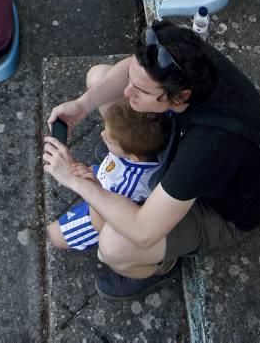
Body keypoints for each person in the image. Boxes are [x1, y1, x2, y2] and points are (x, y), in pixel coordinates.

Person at [43, 21, 260, 299]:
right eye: (133, 81)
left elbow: (143, 230)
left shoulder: (206, 148)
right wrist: (83, 105)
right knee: (99, 78)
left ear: (180, 97)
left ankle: (160, 265)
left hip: (220, 211)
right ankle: (132, 151)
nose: (129, 93)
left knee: (114, 245)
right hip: (188, 141)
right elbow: (130, 70)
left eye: (140, 91)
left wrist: (78, 182)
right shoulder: (185, 58)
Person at [48, 103, 174, 252]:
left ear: (132, 157)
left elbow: (101, 222)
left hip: (99, 212)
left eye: (109, 140)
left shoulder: (129, 186)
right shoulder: (140, 152)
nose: (101, 135)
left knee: (54, 235)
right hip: (104, 183)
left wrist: (90, 186)